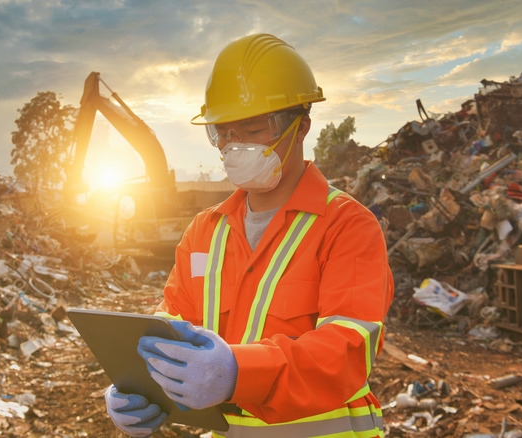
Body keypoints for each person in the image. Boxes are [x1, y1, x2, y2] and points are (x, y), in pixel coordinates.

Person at [104, 33, 394, 438]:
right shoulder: (204, 231)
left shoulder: (347, 225)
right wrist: (139, 386)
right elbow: (170, 325)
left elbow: (346, 353)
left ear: (302, 127)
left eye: (252, 128)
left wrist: (239, 372)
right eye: (221, 132)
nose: (231, 145)